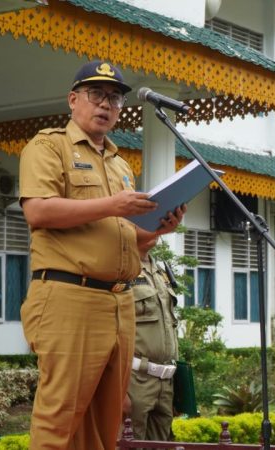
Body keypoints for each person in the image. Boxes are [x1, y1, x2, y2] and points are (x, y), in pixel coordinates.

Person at [19, 60, 184, 450]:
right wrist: (113, 204)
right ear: (73, 99)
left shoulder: (119, 163)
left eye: (114, 97)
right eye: (97, 94)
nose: (106, 104)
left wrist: (158, 230)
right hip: (69, 297)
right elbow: (38, 211)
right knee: (60, 417)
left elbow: (127, 241)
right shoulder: (48, 145)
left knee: (108, 420)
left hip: (119, 300)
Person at [125, 237, 180, 441]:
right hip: (134, 379)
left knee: (161, 443)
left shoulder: (160, 271)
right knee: (130, 442)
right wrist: (119, 392)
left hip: (165, 382)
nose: (155, 229)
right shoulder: (121, 268)